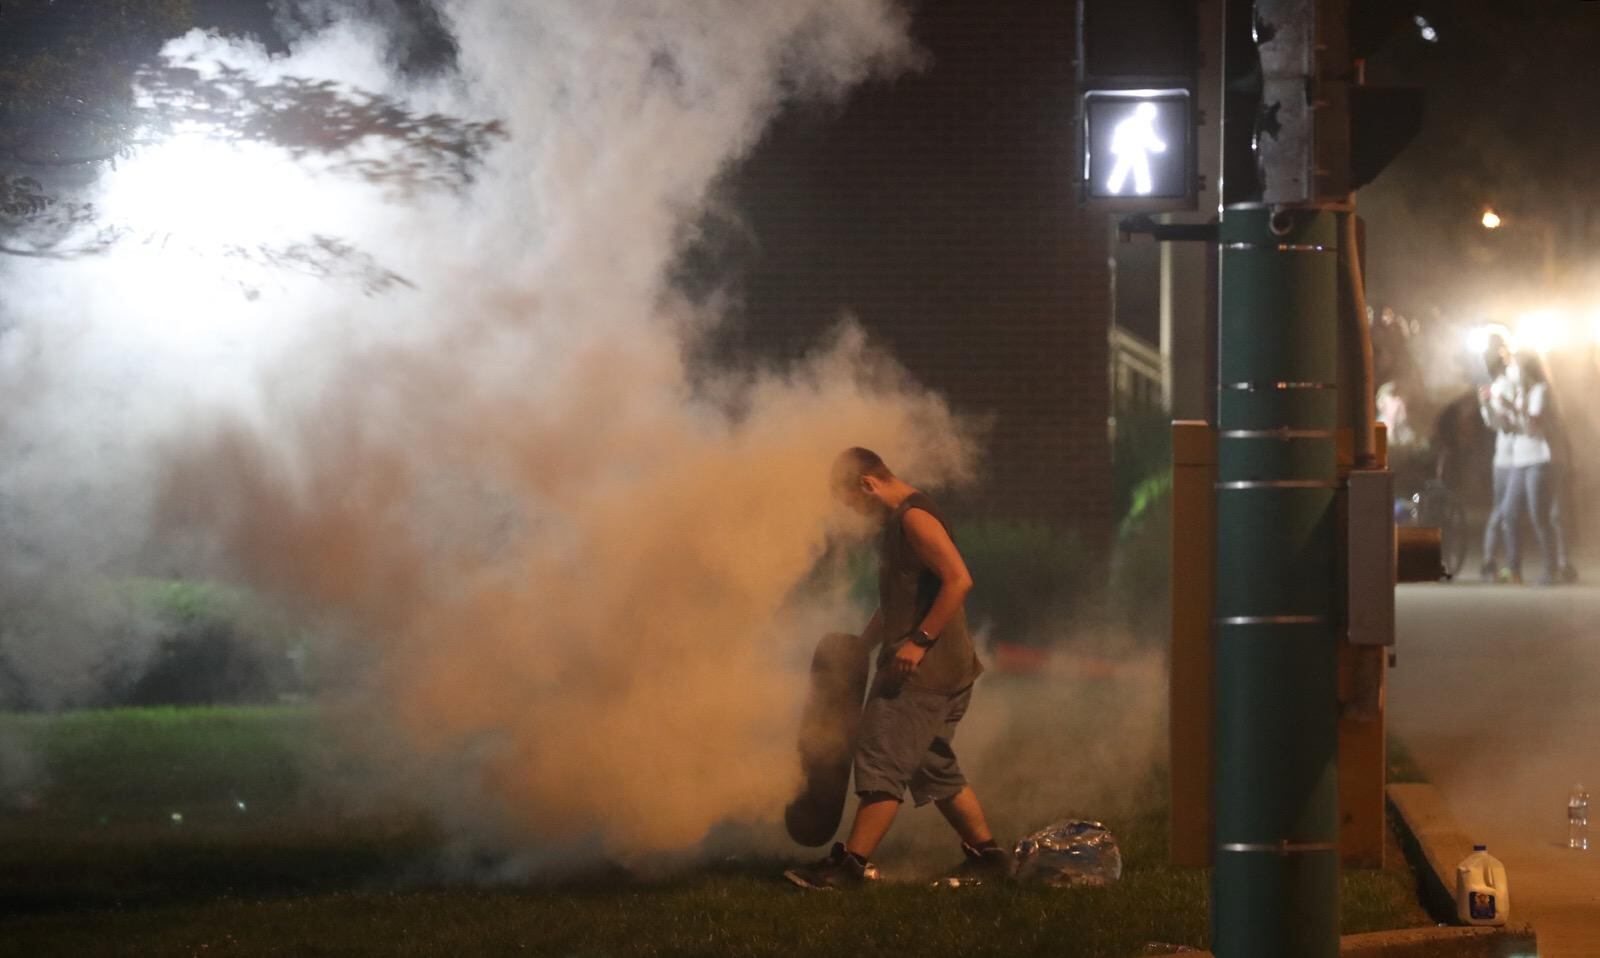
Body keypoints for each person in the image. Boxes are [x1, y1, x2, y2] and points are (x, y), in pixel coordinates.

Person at [783, 448, 1009, 889]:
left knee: (880, 760)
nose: (853, 513)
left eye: (852, 501)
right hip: (946, 667)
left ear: (868, 484)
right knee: (931, 764)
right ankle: (988, 856)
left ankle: (848, 868)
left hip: (923, 672)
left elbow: (959, 580)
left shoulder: (913, 518)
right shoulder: (897, 524)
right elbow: (899, 600)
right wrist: (864, 647)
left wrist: (919, 644)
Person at [1503, 351, 1576, 585]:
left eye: (1515, 365)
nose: (1512, 370)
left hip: (1540, 460)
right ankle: (1514, 568)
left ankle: (1551, 569)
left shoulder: (1541, 391)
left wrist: (1513, 409)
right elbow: (1512, 426)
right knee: (1509, 513)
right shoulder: (1520, 393)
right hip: (1520, 459)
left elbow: (1534, 424)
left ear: (1526, 368)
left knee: (1540, 516)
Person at [1477, 336, 1517, 581]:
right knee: (1504, 510)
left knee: (1505, 511)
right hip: (1508, 458)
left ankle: (1497, 561)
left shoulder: (1509, 383)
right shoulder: (1499, 386)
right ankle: (1495, 562)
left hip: (1513, 457)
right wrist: (1487, 405)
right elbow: (1497, 424)